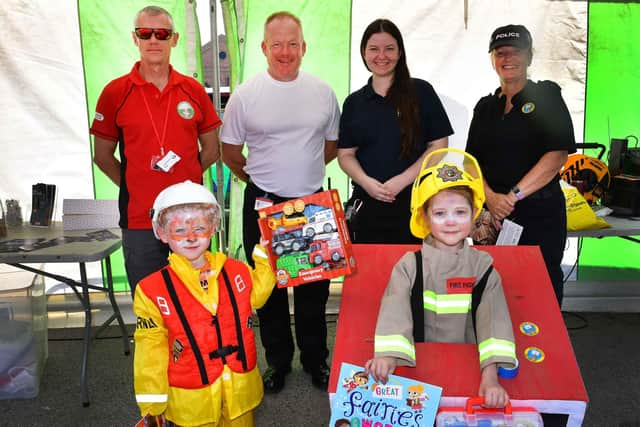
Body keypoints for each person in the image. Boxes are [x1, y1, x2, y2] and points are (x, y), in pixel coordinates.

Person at [220, 12, 340, 393]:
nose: (285, 52)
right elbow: (229, 152)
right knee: (267, 291)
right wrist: (261, 182)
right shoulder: (246, 95)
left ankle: (315, 359)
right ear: (264, 48)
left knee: (313, 290)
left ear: (303, 47)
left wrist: (301, 175)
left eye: (292, 44)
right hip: (263, 204)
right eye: (277, 44)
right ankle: (277, 363)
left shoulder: (322, 92)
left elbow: (332, 145)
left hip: (310, 203)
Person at [365, 148, 517, 408]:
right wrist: (388, 357)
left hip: (470, 371)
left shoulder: (483, 268)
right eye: (440, 214)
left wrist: (490, 377)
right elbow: (394, 312)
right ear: (425, 216)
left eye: (460, 212)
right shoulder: (409, 266)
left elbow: (494, 323)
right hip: (416, 372)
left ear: (474, 215)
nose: (450, 222)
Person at [90, 5, 222, 293]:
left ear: (173, 39)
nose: (153, 40)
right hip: (140, 219)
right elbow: (102, 156)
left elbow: (212, 150)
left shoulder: (193, 89)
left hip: (190, 218)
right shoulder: (115, 92)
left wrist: (184, 183)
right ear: (134, 38)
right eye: (145, 33)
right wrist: (134, 181)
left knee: (197, 301)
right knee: (149, 303)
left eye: (161, 34)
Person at [133, 180, 275, 427]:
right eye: (179, 231)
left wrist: (265, 257)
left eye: (199, 228)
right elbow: (150, 350)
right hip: (192, 400)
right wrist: (153, 405)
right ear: (162, 234)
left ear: (213, 228)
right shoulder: (150, 290)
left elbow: (258, 296)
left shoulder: (237, 271)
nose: (190, 237)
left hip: (239, 390)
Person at [465, 24, 576, 307]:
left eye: (516, 52)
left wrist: (512, 197)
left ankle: (545, 352)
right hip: (493, 219)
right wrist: (491, 198)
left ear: (529, 56)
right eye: (501, 53)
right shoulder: (485, 106)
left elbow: (556, 156)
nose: (508, 58)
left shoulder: (547, 97)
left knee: (540, 292)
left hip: (538, 215)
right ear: (492, 59)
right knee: (492, 291)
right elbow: (471, 161)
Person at [337, 18, 453, 244]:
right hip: (367, 205)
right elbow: (345, 155)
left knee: (413, 274)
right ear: (363, 53)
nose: (382, 56)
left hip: (415, 204)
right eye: (374, 49)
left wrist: (402, 180)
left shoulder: (421, 92)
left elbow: (439, 146)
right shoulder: (354, 102)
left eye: (389, 49)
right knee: (370, 274)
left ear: (400, 52)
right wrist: (366, 182)